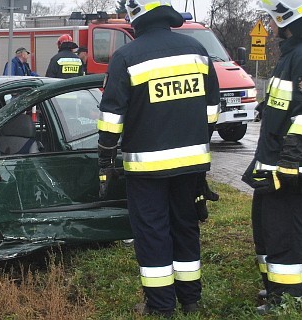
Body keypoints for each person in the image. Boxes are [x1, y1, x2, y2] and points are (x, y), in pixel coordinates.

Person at [96, 0, 220, 316]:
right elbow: (211, 110)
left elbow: (111, 118)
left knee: (153, 232)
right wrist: (196, 143)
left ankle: (161, 306)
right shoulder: (196, 50)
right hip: (191, 164)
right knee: (186, 226)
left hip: (147, 168)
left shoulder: (126, 57)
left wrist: (106, 158)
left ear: (135, 16)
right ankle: (191, 299)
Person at [242, 0, 302, 314]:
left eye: (271, 20)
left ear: (289, 19)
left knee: (284, 231)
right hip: (290, 161)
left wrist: (288, 161)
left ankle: (289, 299)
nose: (270, 27)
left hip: (291, 167)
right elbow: (293, 101)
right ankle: (280, 288)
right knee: (290, 226)